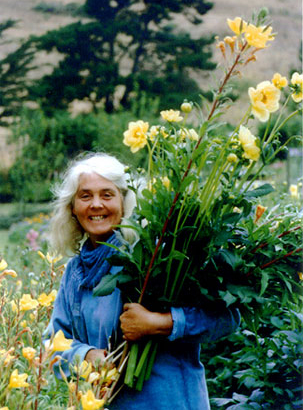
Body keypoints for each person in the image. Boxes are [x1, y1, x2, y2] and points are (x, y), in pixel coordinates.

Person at [46, 152, 240, 410]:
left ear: (125, 203)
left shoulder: (157, 256)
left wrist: (159, 323)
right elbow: (53, 344)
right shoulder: (75, 272)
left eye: (107, 194)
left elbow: (227, 317)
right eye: (85, 196)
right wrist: (87, 356)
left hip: (174, 402)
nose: (95, 204)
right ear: (72, 208)